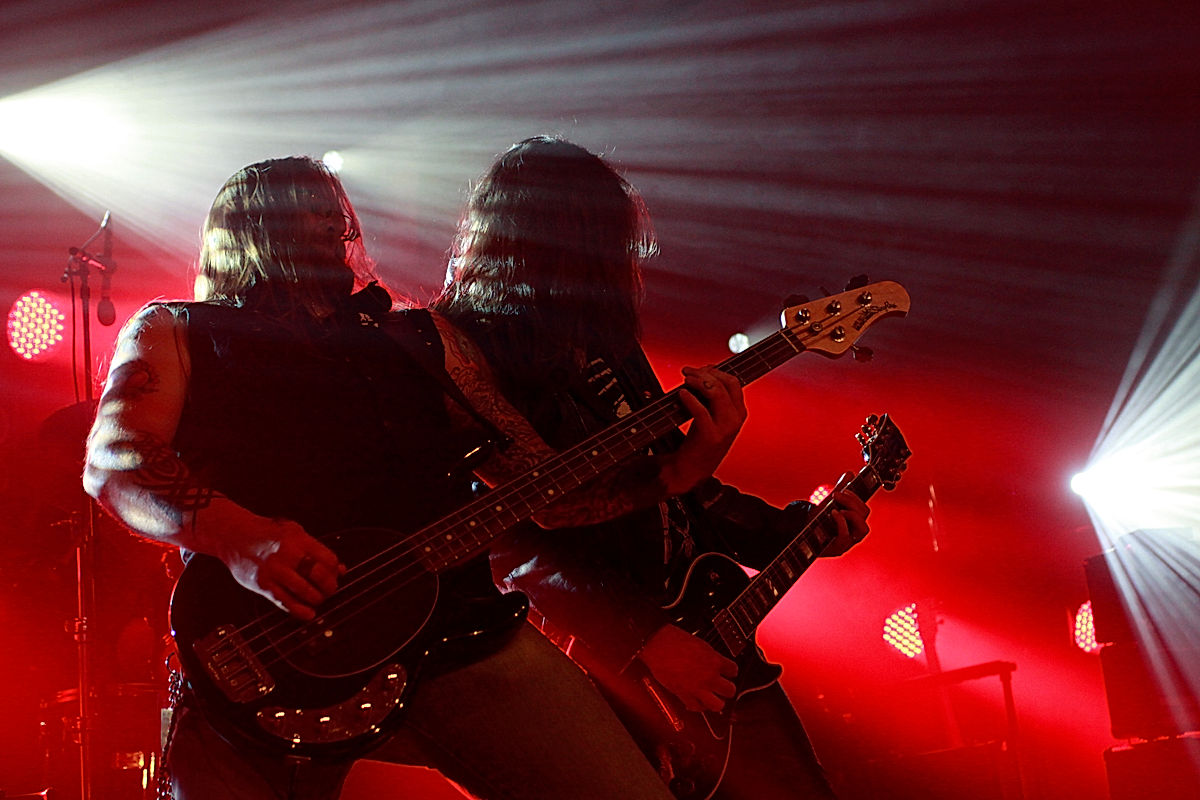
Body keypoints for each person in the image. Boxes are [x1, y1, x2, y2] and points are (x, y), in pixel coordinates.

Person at [82, 155, 749, 799]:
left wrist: (680, 469)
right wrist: (242, 538)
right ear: (247, 226)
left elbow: (544, 493)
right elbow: (116, 461)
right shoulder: (177, 328)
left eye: (334, 208)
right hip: (269, 645)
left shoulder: (419, 335)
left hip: (456, 633)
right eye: (304, 204)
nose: (332, 221)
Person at [433, 136, 872, 799]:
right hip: (589, 663)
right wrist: (638, 638)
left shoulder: (605, 343)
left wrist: (801, 531)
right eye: (598, 238)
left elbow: (679, 491)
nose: (617, 261)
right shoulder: (463, 351)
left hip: (706, 641)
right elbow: (503, 535)